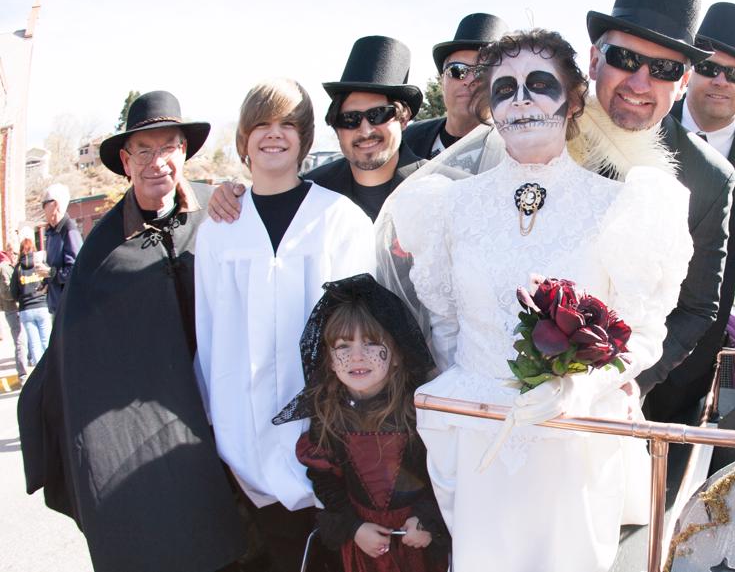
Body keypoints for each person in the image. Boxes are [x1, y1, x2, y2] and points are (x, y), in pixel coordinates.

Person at [383, 28, 692, 572]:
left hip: (572, 442)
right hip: (479, 442)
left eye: (539, 84)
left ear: (574, 100)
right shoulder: (448, 208)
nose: (521, 99)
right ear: (489, 109)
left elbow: (643, 333)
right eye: (504, 89)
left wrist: (583, 383)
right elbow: (447, 328)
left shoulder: (622, 206)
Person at [440, 0, 735, 402]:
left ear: (684, 81)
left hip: (599, 398)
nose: (639, 83)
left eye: (664, 68)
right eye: (625, 59)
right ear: (595, 60)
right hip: (485, 388)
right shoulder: (537, 118)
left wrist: (619, 380)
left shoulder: (708, 177)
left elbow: (696, 306)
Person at [17, 90, 246, 571]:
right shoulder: (102, 251)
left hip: (236, 416)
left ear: (185, 151)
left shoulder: (222, 212)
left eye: (168, 147)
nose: (157, 161)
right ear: (125, 160)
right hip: (163, 427)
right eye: (144, 150)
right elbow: (76, 354)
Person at [195, 78, 376, 572]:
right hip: (245, 429)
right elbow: (208, 330)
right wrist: (216, 415)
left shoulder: (339, 220)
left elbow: (368, 329)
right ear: (244, 137)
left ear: (304, 136)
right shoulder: (218, 230)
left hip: (328, 431)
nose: (274, 135)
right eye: (262, 124)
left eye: (287, 124)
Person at [645, 1, 735, 423]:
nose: (721, 81)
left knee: (674, 428)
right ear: (690, 70)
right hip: (629, 301)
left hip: (702, 318)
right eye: (710, 67)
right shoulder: (645, 121)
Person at [274, 274, 449, 572]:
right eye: (343, 346)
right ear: (328, 359)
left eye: (371, 343)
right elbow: (325, 479)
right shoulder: (328, 414)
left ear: (395, 355)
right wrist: (354, 528)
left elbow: (442, 472)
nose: (357, 356)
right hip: (363, 545)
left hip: (416, 539)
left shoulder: (417, 411)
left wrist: (426, 518)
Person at [209, 36, 425, 222]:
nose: (365, 130)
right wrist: (231, 195)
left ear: (403, 118)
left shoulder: (442, 187)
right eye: (350, 119)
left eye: (379, 114)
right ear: (336, 127)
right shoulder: (313, 188)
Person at [404, 13, 508, 160]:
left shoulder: (516, 150)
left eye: (483, 72)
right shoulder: (408, 139)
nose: (470, 80)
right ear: (442, 81)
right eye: (457, 70)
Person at [10, 231, 50, 368]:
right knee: (47, 341)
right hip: (42, 305)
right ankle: (52, 371)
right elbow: (49, 278)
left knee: (34, 345)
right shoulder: (39, 264)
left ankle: (41, 378)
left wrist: (21, 298)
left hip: (26, 309)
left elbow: (13, 292)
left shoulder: (18, 268)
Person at [41, 183, 82, 315]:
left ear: (55, 204)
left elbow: (75, 270)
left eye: (44, 204)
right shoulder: (51, 232)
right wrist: (45, 282)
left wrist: (50, 273)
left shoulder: (69, 230)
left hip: (70, 306)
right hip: (56, 305)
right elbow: (53, 268)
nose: (43, 209)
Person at [0, 247, 28, 381]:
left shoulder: (9, 266)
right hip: (12, 308)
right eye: (15, 253)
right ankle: (23, 373)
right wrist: (18, 295)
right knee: (20, 340)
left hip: (13, 307)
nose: (16, 255)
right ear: (9, 252)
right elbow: (5, 291)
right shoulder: (5, 267)